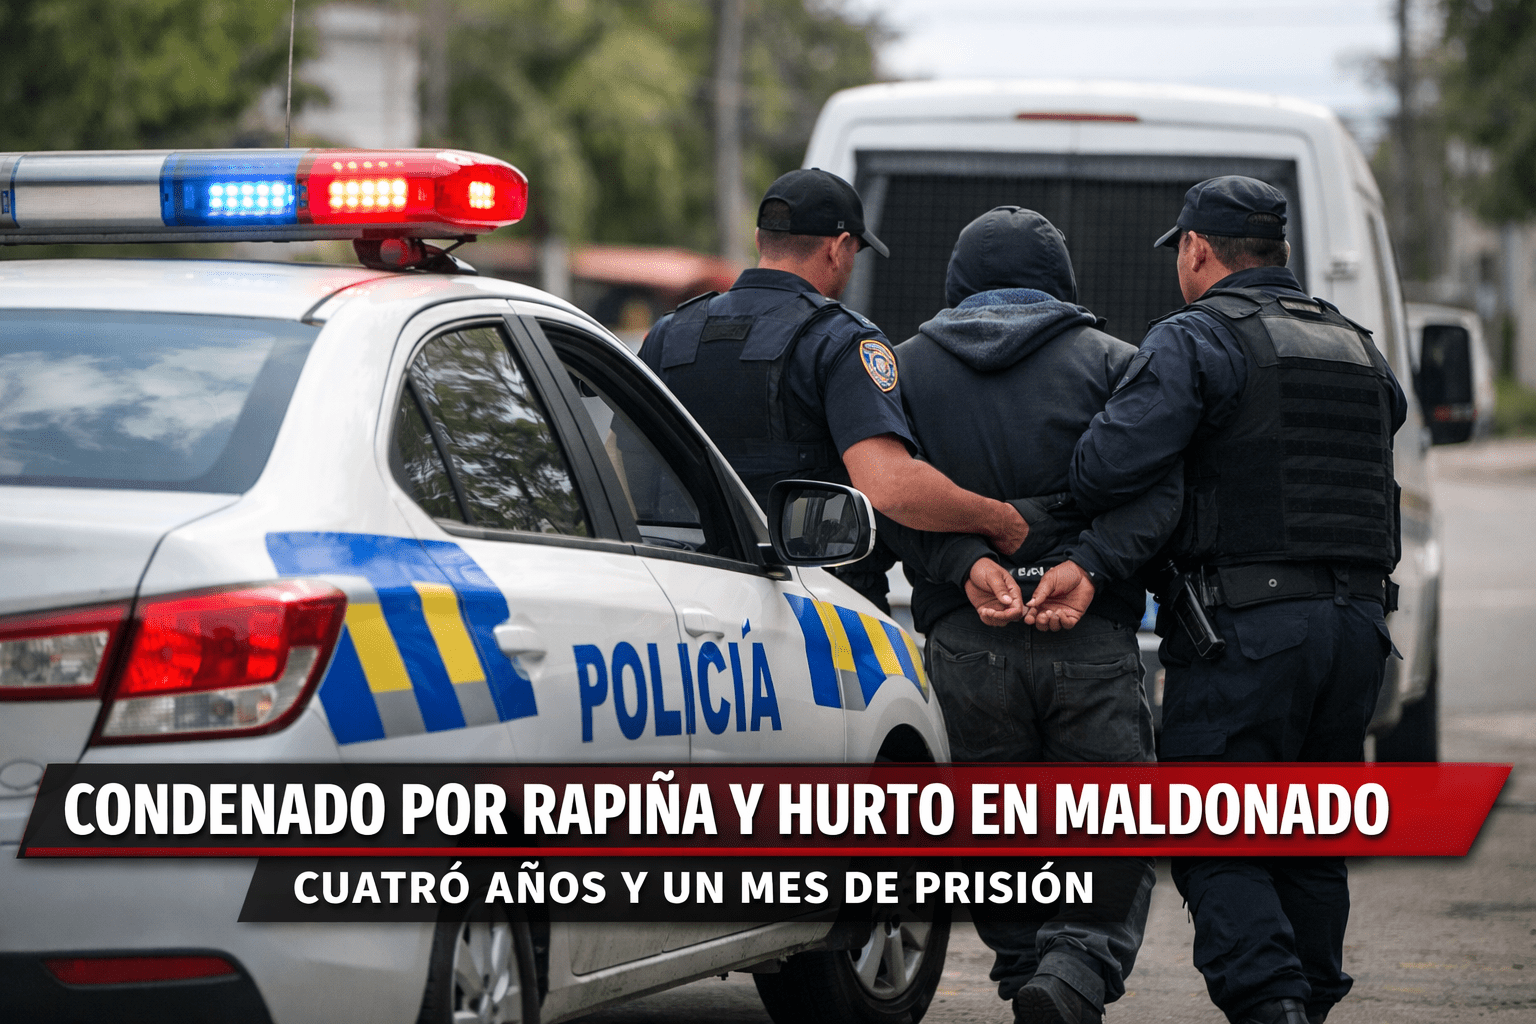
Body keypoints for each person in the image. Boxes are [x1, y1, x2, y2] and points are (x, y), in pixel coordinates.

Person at [1066, 176, 1408, 1024]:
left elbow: (1103, 467)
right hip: (1359, 629)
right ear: (1280, 252)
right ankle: (1305, 1002)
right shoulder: (1356, 344)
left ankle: (1271, 1003)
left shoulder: (1196, 338)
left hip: (1251, 632)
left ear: (1196, 249)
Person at [877, 206, 1182, 1024]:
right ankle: (1071, 971)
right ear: (1060, 279)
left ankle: (1027, 976)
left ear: (957, 278)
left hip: (965, 641)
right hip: (1091, 636)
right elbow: (1162, 494)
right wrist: (1087, 565)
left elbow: (889, 496)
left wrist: (964, 564)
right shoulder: (1119, 364)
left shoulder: (901, 370)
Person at [640, 169, 1028, 610]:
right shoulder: (840, 340)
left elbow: (625, 459)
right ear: (839, 247)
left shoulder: (669, 333)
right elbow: (891, 486)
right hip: (814, 602)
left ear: (759, 238)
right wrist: (999, 519)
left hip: (680, 592)